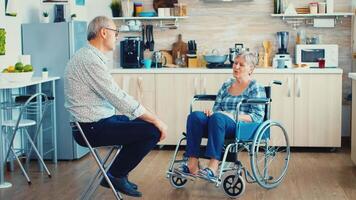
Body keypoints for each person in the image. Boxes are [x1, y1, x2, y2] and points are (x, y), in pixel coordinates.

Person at [64, 16, 168, 198]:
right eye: (115, 33)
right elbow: (117, 97)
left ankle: (117, 174)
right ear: (104, 32)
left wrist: (149, 116)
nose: (117, 37)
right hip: (91, 128)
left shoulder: (90, 56)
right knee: (152, 131)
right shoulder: (89, 60)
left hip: (99, 121)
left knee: (146, 126)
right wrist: (156, 120)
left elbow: (116, 97)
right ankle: (116, 175)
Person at [179, 51, 266, 180]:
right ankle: (192, 163)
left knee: (218, 117)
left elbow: (257, 116)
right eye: (235, 63)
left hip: (240, 125)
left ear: (251, 69)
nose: (236, 67)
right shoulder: (226, 85)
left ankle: (213, 167)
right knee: (195, 117)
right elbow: (217, 109)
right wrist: (211, 113)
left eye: (241, 65)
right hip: (219, 122)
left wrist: (229, 115)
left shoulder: (255, 87)